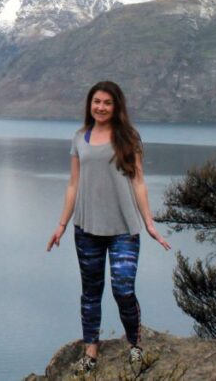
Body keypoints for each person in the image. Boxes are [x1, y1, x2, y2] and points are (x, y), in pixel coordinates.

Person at [46, 80, 171, 372]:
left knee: (123, 289)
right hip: (87, 228)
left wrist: (149, 224)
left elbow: (138, 181)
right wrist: (61, 224)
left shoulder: (128, 137)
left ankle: (135, 346)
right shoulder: (80, 138)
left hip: (124, 229)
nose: (101, 107)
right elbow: (73, 183)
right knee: (91, 291)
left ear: (117, 107)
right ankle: (91, 351)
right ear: (90, 105)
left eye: (107, 102)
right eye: (96, 102)